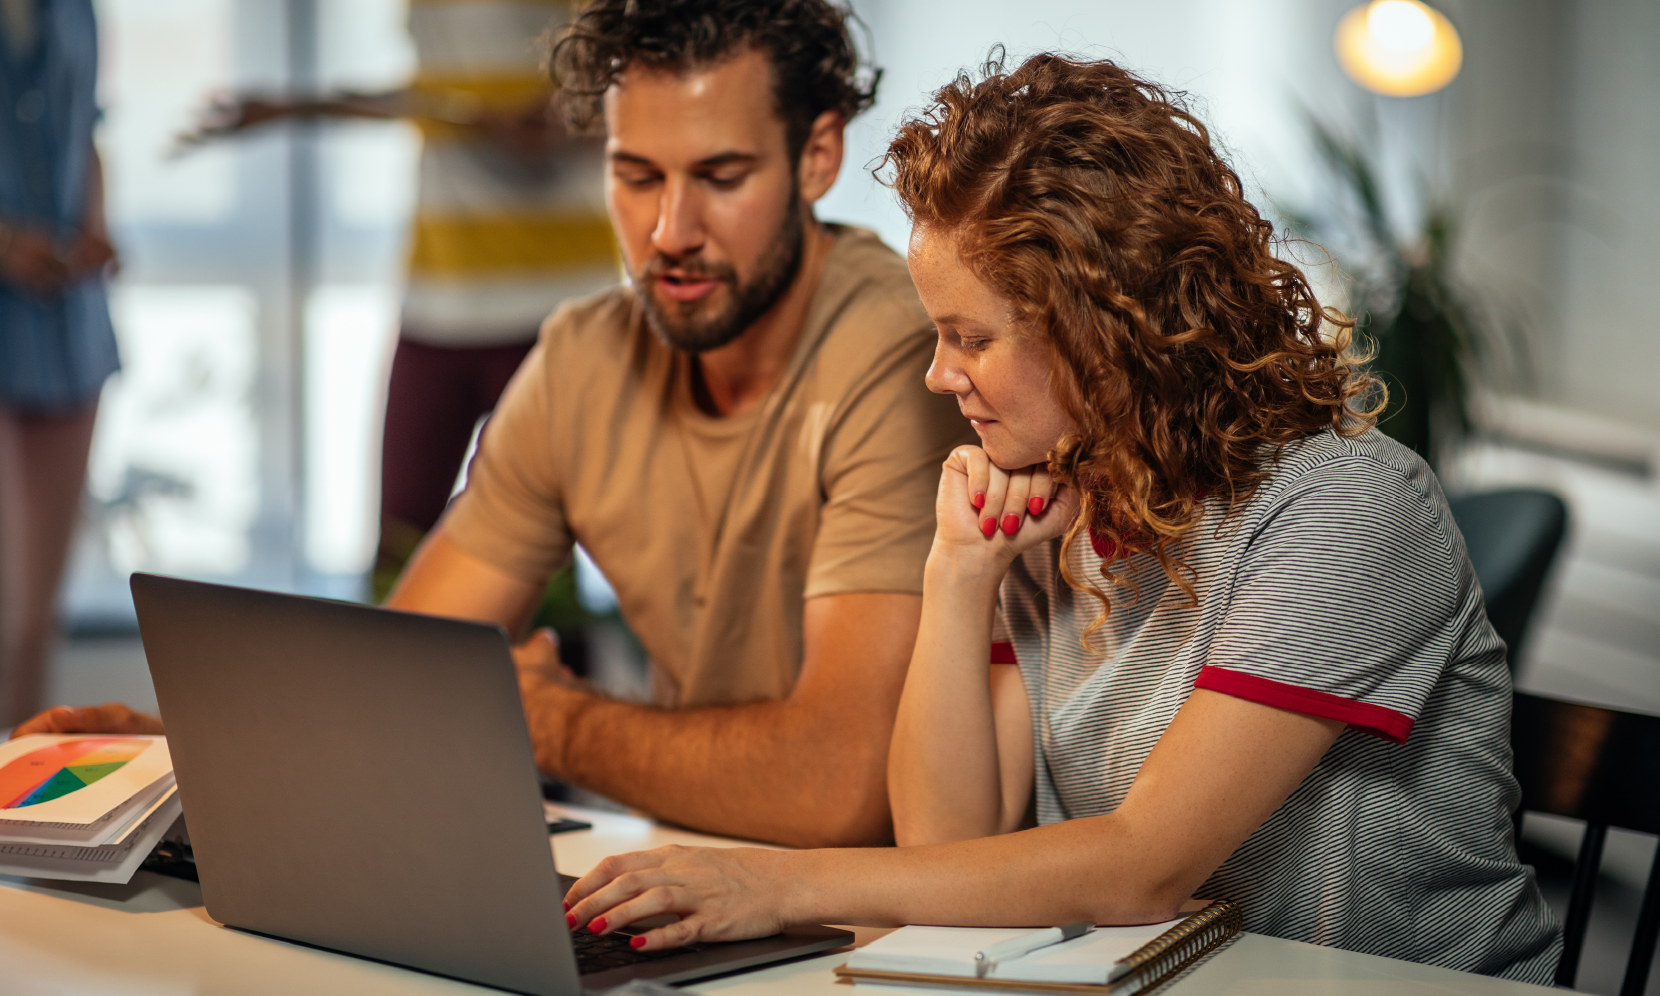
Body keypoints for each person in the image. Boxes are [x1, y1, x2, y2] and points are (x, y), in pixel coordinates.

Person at [557, 54, 1563, 982]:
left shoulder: (1340, 507)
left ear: (1099, 333)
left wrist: (775, 882)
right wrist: (958, 574)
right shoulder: (1059, 496)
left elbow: (1140, 867)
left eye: (967, 337)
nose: (936, 373)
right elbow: (948, 852)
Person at [14, 0, 973, 851]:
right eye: (635, 175)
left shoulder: (899, 356)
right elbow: (402, 677)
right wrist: (167, 744)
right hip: (696, 874)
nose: (670, 230)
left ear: (818, 156)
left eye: (720, 176)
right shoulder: (585, 358)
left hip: (898, 921)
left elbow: (839, 788)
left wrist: (553, 724)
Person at [177, 0, 619, 593]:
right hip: (439, 303)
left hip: (559, 311)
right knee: (400, 549)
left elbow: (652, 79)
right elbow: (429, 93)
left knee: (542, 572)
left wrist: (585, 117)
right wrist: (294, 106)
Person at [0, 0, 118, 728]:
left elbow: (89, 132)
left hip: (68, 323)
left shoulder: (77, 10)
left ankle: (20, 818)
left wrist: (98, 226)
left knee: (35, 618)